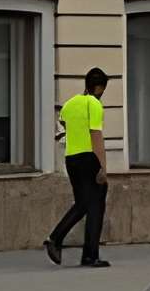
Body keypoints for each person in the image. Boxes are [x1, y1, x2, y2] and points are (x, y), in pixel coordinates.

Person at [46, 67, 112, 267]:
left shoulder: (69, 104)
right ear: (99, 87)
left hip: (71, 159)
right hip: (88, 158)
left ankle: (55, 239)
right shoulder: (94, 104)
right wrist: (102, 168)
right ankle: (90, 255)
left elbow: (61, 130)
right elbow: (96, 136)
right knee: (97, 203)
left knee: (83, 203)